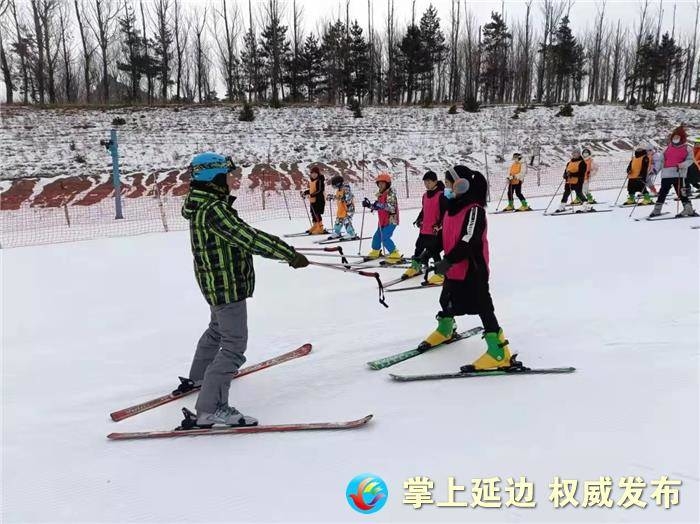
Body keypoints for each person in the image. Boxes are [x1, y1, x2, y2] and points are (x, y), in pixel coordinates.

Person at [178, 152, 309, 427]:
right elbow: (246, 237)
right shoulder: (213, 209)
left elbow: (236, 235)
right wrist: (287, 254)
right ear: (213, 178)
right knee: (234, 346)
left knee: (217, 329)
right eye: (226, 176)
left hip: (214, 282)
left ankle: (200, 377)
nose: (229, 180)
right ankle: (210, 407)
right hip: (227, 285)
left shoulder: (202, 203)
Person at [420, 165, 514, 371]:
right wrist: (428, 252)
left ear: (461, 185)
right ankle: (446, 330)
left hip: (473, 268)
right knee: (446, 299)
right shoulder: (452, 208)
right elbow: (445, 236)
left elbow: (468, 240)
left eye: (448, 184)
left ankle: (499, 352)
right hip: (454, 267)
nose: (445, 188)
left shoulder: (474, 210)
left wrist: (448, 261)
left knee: (483, 307)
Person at [403, 170, 447, 284]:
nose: (426, 184)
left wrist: (439, 224)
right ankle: (415, 267)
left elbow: (444, 213)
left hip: (435, 229)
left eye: (429, 181)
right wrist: (419, 219)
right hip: (425, 228)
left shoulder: (441, 195)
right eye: (425, 182)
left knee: (434, 250)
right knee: (418, 247)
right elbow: (424, 209)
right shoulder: (425, 195)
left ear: (435, 181)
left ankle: (440, 273)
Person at [650, 126, 697, 218]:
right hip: (666, 174)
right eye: (674, 137)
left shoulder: (687, 148)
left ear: (682, 138)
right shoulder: (666, 149)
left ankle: (688, 208)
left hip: (678, 173)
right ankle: (657, 210)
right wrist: (655, 170)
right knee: (663, 192)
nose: (675, 139)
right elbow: (661, 161)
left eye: (677, 137)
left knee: (681, 192)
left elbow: (690, 160)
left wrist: (682, 165)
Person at [362, 172, 403, 263]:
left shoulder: (390, 194)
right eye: (379, 183)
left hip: (391, 220)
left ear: (387, 184)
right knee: (377, 237)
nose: (380, 185)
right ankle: (375, 251)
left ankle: (395, 254)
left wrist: (379, 205)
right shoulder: (381, 194)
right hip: (382, 221)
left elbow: (391, 207)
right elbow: (377, 206)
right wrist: (369, 205)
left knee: (385, 237)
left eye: (382, 183)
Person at [328, 174, 357, 239]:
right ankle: (337, 232)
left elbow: (347, 199)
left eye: (334, 185)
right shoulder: (338, 190)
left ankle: (351, 233)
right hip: (341, 209)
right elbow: (339, 198)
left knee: (346, 220)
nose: (333, 187)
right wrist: (332, 197)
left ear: (338, 184)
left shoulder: (346, 188)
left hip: (348, 209)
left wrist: (337, 197)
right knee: (339, 220)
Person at [301, 166, 326, 234]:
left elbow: (320, 190)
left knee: (317, 213)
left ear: (318, 174)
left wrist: (311, 195)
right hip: (313, 200)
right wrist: (305, 192)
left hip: (319, 200)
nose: (314, 175)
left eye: (315, 173)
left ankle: (320, 228)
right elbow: (312, 190)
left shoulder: (320, 180)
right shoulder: (312, 181)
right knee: (313, 213)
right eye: (312, 173)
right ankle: (315, 226)